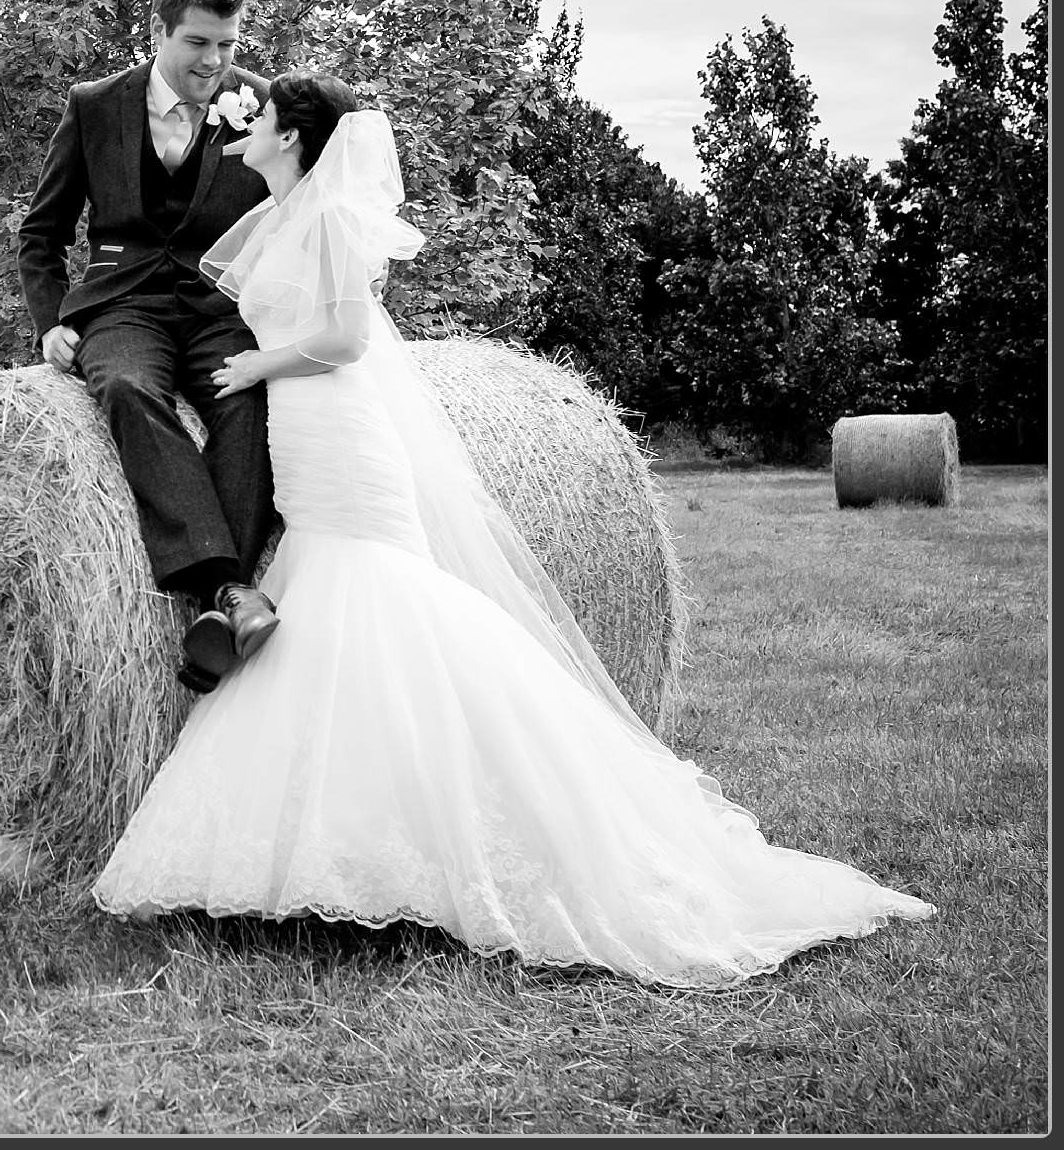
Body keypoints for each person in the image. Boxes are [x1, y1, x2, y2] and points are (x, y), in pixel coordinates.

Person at [90, 72, 937, 987]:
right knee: (328, 598)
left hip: (336, 427)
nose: (241, 130)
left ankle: (440, 839)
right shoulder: (290, 215)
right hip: (306, 437)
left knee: (373, 597)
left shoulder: (328, 221)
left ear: (293, 138)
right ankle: (336, 850)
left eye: (259, 125)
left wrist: (259, 362)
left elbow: (343, 338)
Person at [18, 0, 283, 694]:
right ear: (160, 30)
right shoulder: (96, 104)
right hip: (122, 304)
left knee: (248, 402)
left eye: (228, 44)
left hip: (218, 308)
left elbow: (296, 209)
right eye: (199, 42)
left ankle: (212, 605)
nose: (216, 61)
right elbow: (41, 232)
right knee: (130, 390)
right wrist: (49, 322)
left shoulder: (259, 103)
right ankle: (231, 590)